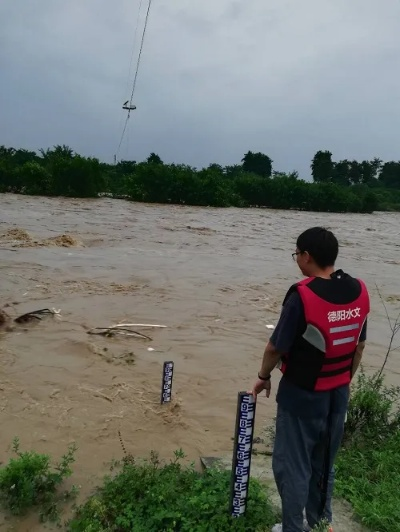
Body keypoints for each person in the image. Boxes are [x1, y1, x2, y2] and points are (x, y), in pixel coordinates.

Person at [250, 227, 370, 532]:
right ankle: (319, 526)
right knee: (323, 464)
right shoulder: (359, 291)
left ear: (307, 256)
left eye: (297, 254)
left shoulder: (302, 295)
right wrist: (341, 382)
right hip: (337, 394)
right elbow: (358, 348)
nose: (296, 260)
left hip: (302, 395)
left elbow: (275, 347)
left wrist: (263, 377)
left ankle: (293, 528)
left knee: (293, 467)